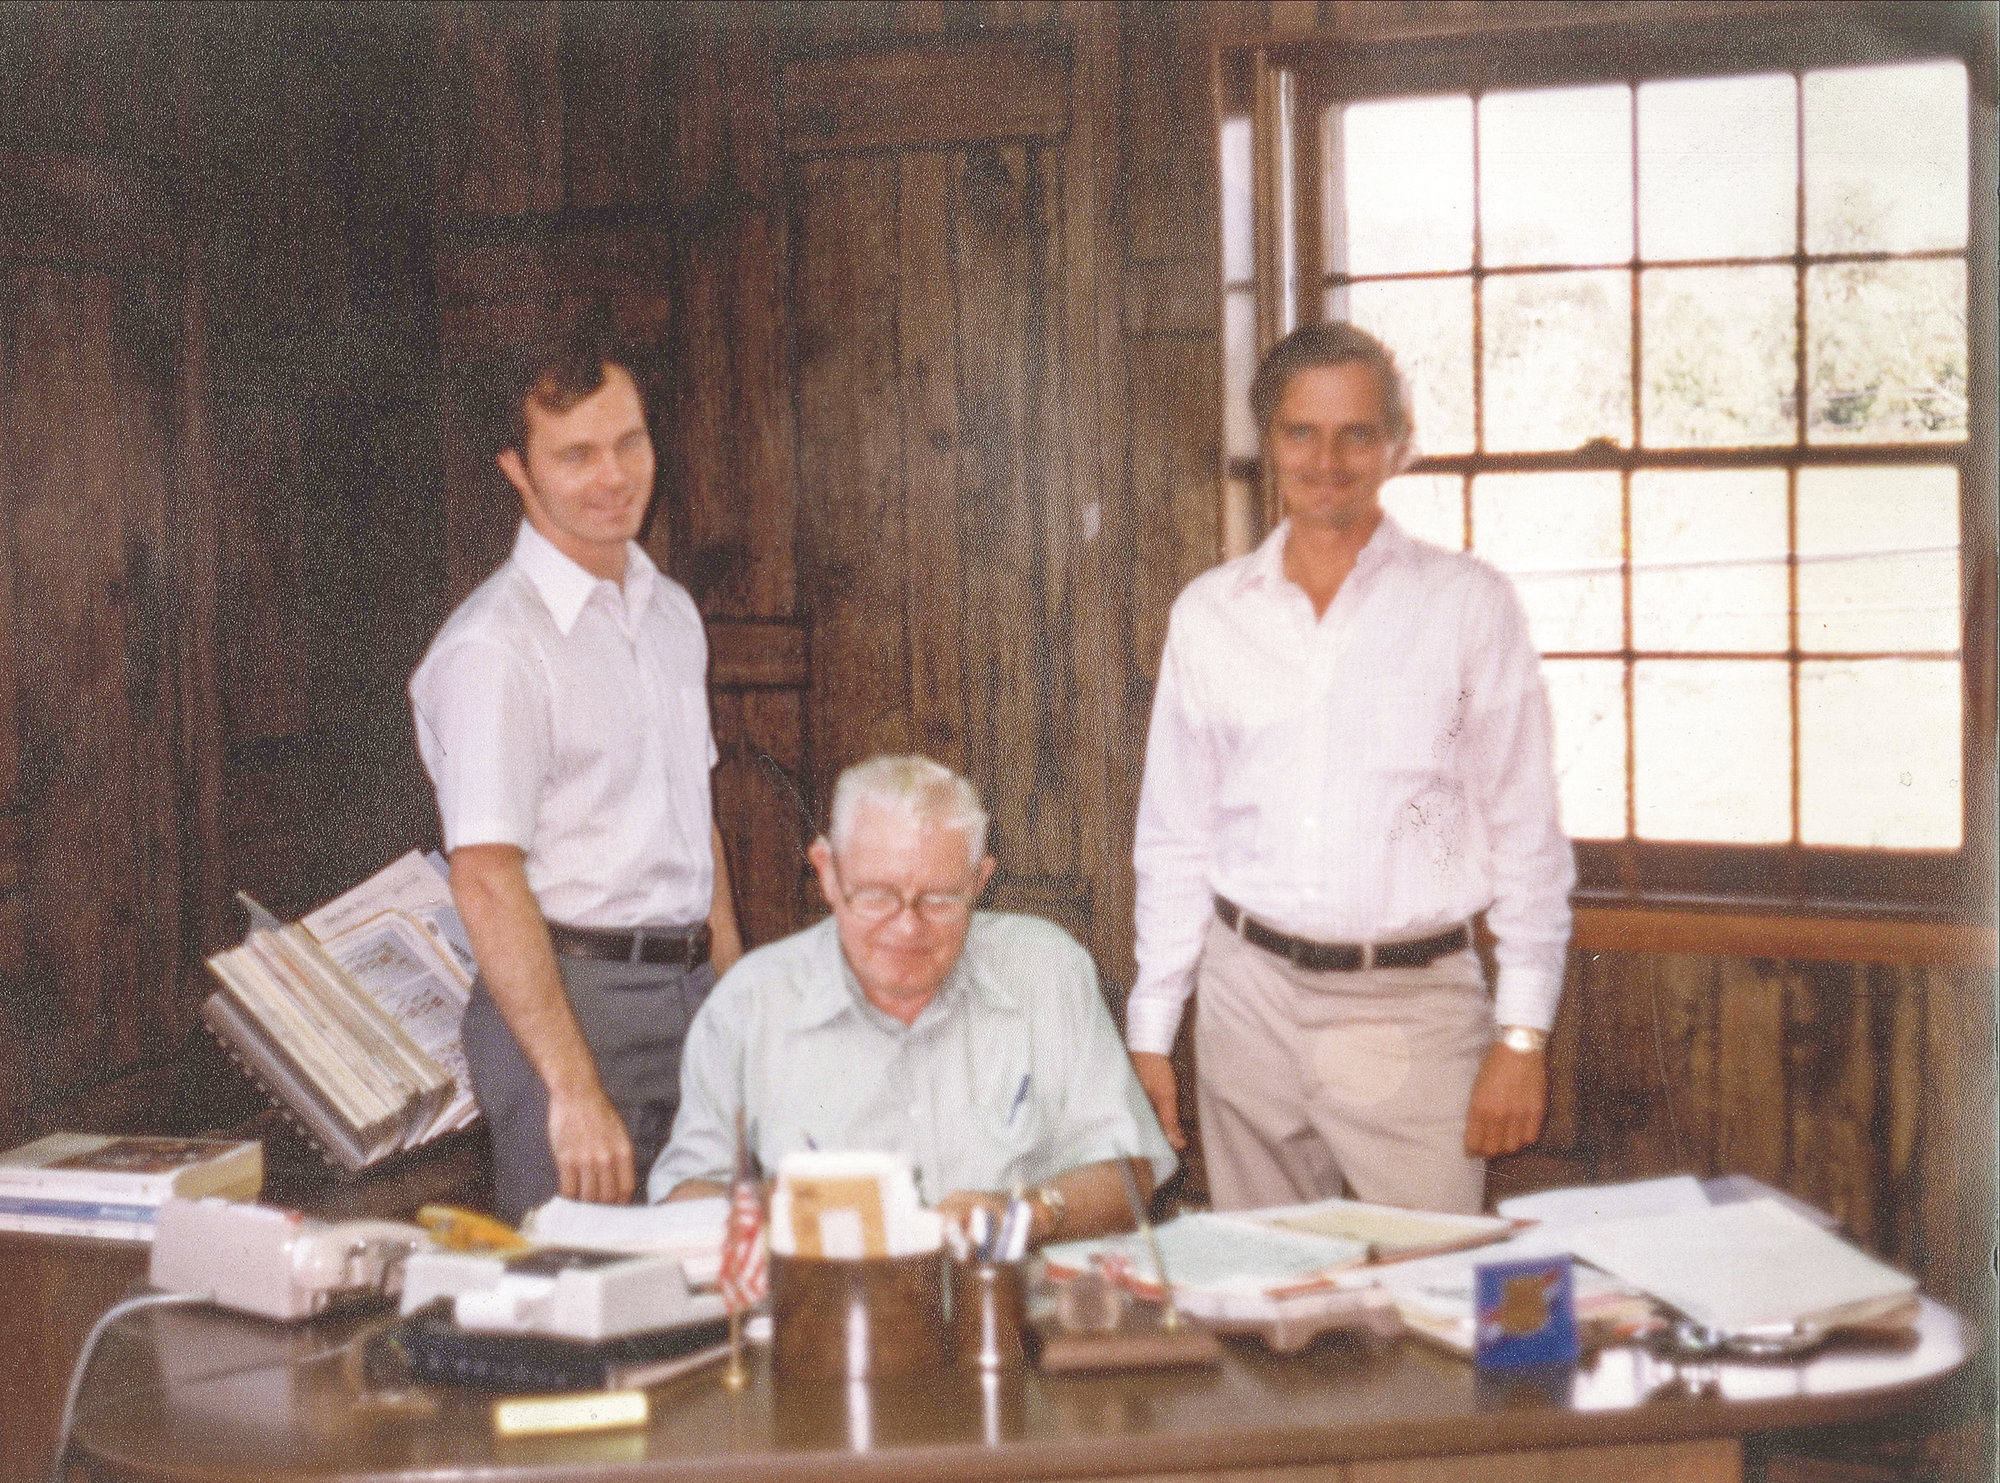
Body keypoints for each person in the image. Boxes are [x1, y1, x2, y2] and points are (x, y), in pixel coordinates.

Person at [1127, 321, 1574, 1215]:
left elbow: (1526, 829)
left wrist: (1522, 1035)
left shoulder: (1467, 605)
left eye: (1356, 433)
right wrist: (1151, 1029)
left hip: (1409, 1007)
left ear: (1396, 445)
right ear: (1267, 442)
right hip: (1245, 998)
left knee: (1434, 1299)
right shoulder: (1211, 614)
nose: (1326, 459)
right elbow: (1176, 835)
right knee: (1269, 1304)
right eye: (1301, 431)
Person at [410, 323, 743, 1222]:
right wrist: (572, 1088)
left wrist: (736, 1008)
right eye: (576, 454)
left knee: (708, 1295)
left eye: (629, 442)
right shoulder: (495, 647)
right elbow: (485, 877)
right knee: (580, 1316)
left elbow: (694, 820)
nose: (614, 476)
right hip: (571, 1006)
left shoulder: (670, 613)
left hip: (689, 993)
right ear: (516, 468)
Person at [650, 755, 1174, 1247]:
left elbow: (1131, 1171)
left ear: (979, 881)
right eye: (877, 895)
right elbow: (684, 1195)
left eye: (940, 899)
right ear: (827, 872)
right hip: (829, 1309)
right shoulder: (751, 1002)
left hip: (1006, 1304)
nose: (907, 927)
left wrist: (1027, 1212)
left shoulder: (1047, 971)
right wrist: (794, 1208)